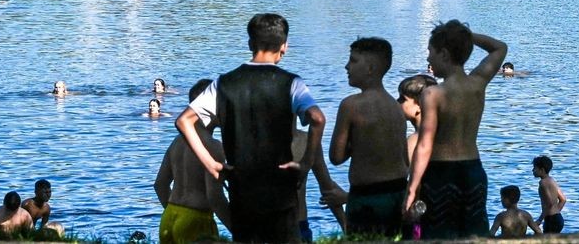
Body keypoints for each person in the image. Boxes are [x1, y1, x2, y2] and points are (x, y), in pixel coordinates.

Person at [177, 13, 326, 244]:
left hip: (242, 188)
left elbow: (184, 121)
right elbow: (317, 118)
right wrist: (306, 161)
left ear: (250, 44)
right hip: (281, 188)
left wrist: (211, 163)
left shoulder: (223, 83)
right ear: (284, 47)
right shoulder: (291, 83)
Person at [402, 21, 508, 239]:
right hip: (473, 171)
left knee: (440, 235)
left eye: (431, 52)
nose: (428, 58)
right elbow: (499, 47)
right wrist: (467, 36)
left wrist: (412, 188)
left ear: (443, 54)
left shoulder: (433, 94)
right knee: (474, 234)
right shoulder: (477, 82)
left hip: (442, 173)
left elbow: (424, 145)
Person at [329, 38, 408, 237]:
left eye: (353, 61)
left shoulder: (351, 105)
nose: (347, 66)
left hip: (366, 197)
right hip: (398, 194)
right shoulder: (395, 108)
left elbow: (336, 157)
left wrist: (356, 142)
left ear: (370, 68)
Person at [155, 79, 232, 244]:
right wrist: (239, 231)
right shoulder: (213, 147)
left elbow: (160, 184)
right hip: (196, 220)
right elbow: (215, 198)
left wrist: (175, 212)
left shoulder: (177, 141)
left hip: (169, 217)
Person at [397, 74, 437, 161]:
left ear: (419, 105)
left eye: (402, 99)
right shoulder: (440, 135)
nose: (397, 102)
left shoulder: (415, 141)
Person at [533, 155, 567, 233]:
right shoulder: (551, 180)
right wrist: (556, 212)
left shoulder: (543, 183)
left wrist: (539, 220)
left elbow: (549, 204)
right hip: (558, 218)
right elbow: (563, 199)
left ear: (542, 170)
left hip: (551, 219)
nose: (533, 170)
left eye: (535, 168)